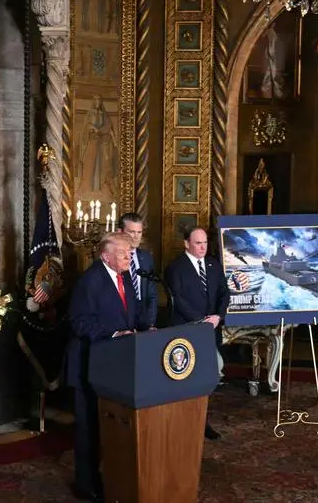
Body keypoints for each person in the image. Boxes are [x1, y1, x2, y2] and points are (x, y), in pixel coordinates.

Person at [66, 232, 147, 503]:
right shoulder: (90, 281)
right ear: (105, 256)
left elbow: (130, 315)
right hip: (89, 366)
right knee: (88, 428)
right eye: (123, 253)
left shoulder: (125, 277)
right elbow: (79, 322)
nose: (128, 257)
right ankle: (86, 484)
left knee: (109, 426)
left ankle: (111, 477)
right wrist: (112, 335)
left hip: (116, 366)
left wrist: (145, 328)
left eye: (129, 252)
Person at [163, 226, 228, 440]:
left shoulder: (213, 265)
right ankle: (185, 419)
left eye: (205, 243)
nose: (203, 247)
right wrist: (201, 321)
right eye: (198, 243)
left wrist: (218, 316)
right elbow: (178, 300)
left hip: (212, 329)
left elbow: (224, 292)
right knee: (189, 377)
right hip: (188, 331)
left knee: (211, 372)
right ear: (186, 244)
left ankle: (202, 419)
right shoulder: (175, 268)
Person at [117, 212, 158, 329]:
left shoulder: (146, 258)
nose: (136, 237)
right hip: (121, 320)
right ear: (120, 232)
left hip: (143, 320)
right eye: (132, 232)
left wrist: (150, 323)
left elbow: (152, 294)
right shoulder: (114, 258)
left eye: (139, 232)